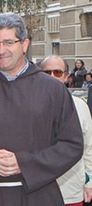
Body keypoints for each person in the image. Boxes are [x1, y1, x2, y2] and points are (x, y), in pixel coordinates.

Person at [0, 13, 83, 206]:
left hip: (39, 195)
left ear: (24, 44)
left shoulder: (53, 89)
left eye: (9, 42)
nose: (1, 50)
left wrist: (24, 163)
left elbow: (71, 145)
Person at [39, 55, 92, 206]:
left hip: (71, 192)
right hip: (37, 191)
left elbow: (89, 147)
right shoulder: (28, 108)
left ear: (66, 77)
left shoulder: (80, 106)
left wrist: (89, 182)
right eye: (46, 73)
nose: (51, 77)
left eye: (57, 72)